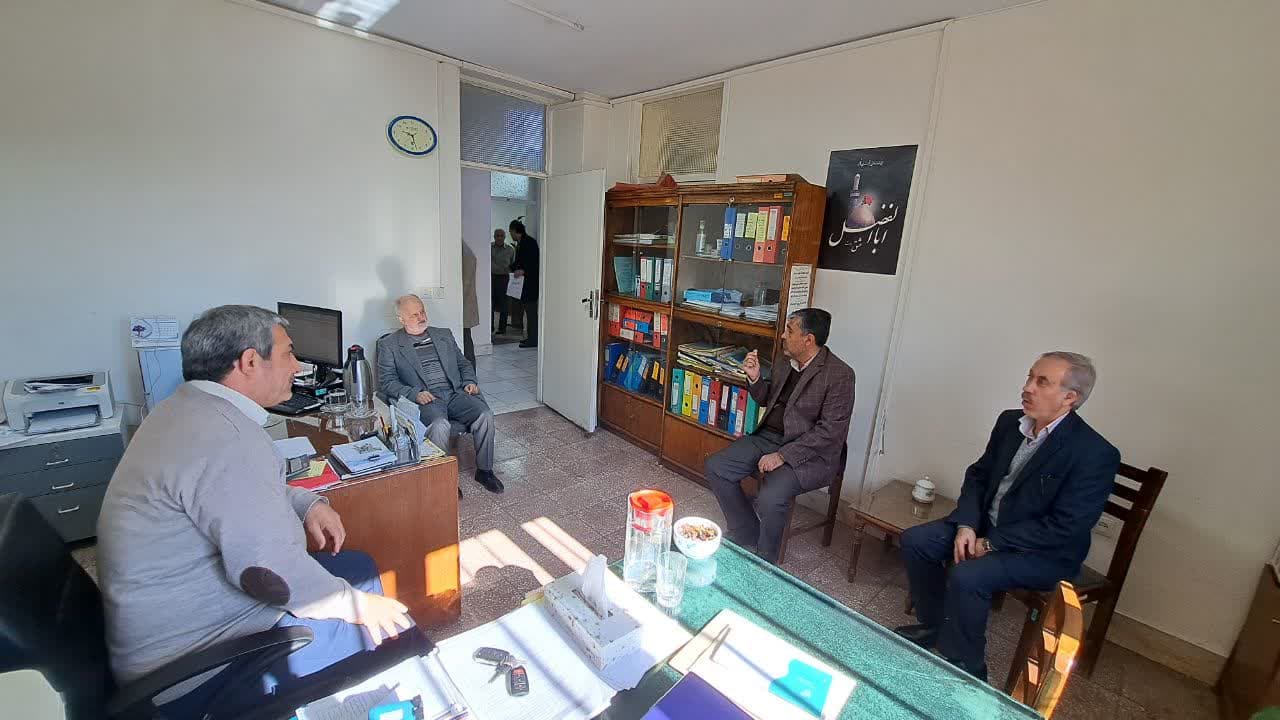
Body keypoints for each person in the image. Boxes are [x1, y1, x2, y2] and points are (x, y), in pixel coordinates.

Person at [97, 305, 414, 714]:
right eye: (288, 354)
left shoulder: (184, 409)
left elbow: (237, 491)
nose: (297, 367)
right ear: (249, 362)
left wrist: (305, 503)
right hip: (197, 670)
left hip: (172, 631)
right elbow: (268, 573)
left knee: (358, 566)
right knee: (384, 624)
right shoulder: (227, 438)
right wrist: (358, 607)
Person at [894, 352, 1121, 681]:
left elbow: (1066, 526)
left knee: (968, 576)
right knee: (917, 541)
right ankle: (935, 626)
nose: (1028, 387)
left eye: (1042, 382)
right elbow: (979, 475)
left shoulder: (1094, 453)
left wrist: (990, 543)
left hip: (1042, 551)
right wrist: (967, 525)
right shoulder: (1010, 423)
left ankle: (969, 669)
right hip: (986, 526)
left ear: (1069, 398)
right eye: (1029, 377)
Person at [704, 308, 855, 563]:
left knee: (770, 498)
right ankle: (746, 529)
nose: (783, 336)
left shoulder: (840, 375)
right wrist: (754, 379)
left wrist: (783, 456)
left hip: (810, 453)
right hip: (769, 437)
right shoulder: (785, 360)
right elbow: (767, 399)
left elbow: (830, 432)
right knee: (717, 467)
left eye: (790, 331)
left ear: (808, 340)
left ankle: (766, 561)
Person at [376, 294, 503, 493]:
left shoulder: (443, 334)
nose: (421, 317)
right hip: (427, 399)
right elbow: (387, 382)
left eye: (422, 311)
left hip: (455, 392)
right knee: (439, 425)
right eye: (414, 315)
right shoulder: (390, 345)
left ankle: (485, 471)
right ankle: (443, 480)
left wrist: (469, 382)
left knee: (484, 414)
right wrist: (414, 393)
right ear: (401, 319)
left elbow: (463, 363)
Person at [509, 219, 539, 348]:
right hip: (524, 285)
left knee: (531, 312)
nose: (511, 235)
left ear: (515, 231)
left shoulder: (529, 243)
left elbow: (534, 263)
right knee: (528, 312)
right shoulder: (522, 243)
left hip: (530, 285)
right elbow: (519, 262)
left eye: (511, 232)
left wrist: (523, 271)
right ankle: (531, 337)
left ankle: (534, 339)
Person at [490, 228, 515, 335]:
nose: (499, 238)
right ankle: (490, 327)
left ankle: (502, 328)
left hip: (505, 279)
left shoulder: (510, 250)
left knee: (504, 304)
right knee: (490, 303)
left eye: (501, 236)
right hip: (491, 278)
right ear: (494, 237)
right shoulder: (489, 248)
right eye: (497, 235)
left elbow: (513, 264)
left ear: (504, 237)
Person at [461, 240, 479, 364]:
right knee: (466, 338)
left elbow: (466, 281)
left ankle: (470, 374)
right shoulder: (463, 248)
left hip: (463, 303)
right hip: (464, 303)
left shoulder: (461, 247)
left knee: (465, 340)